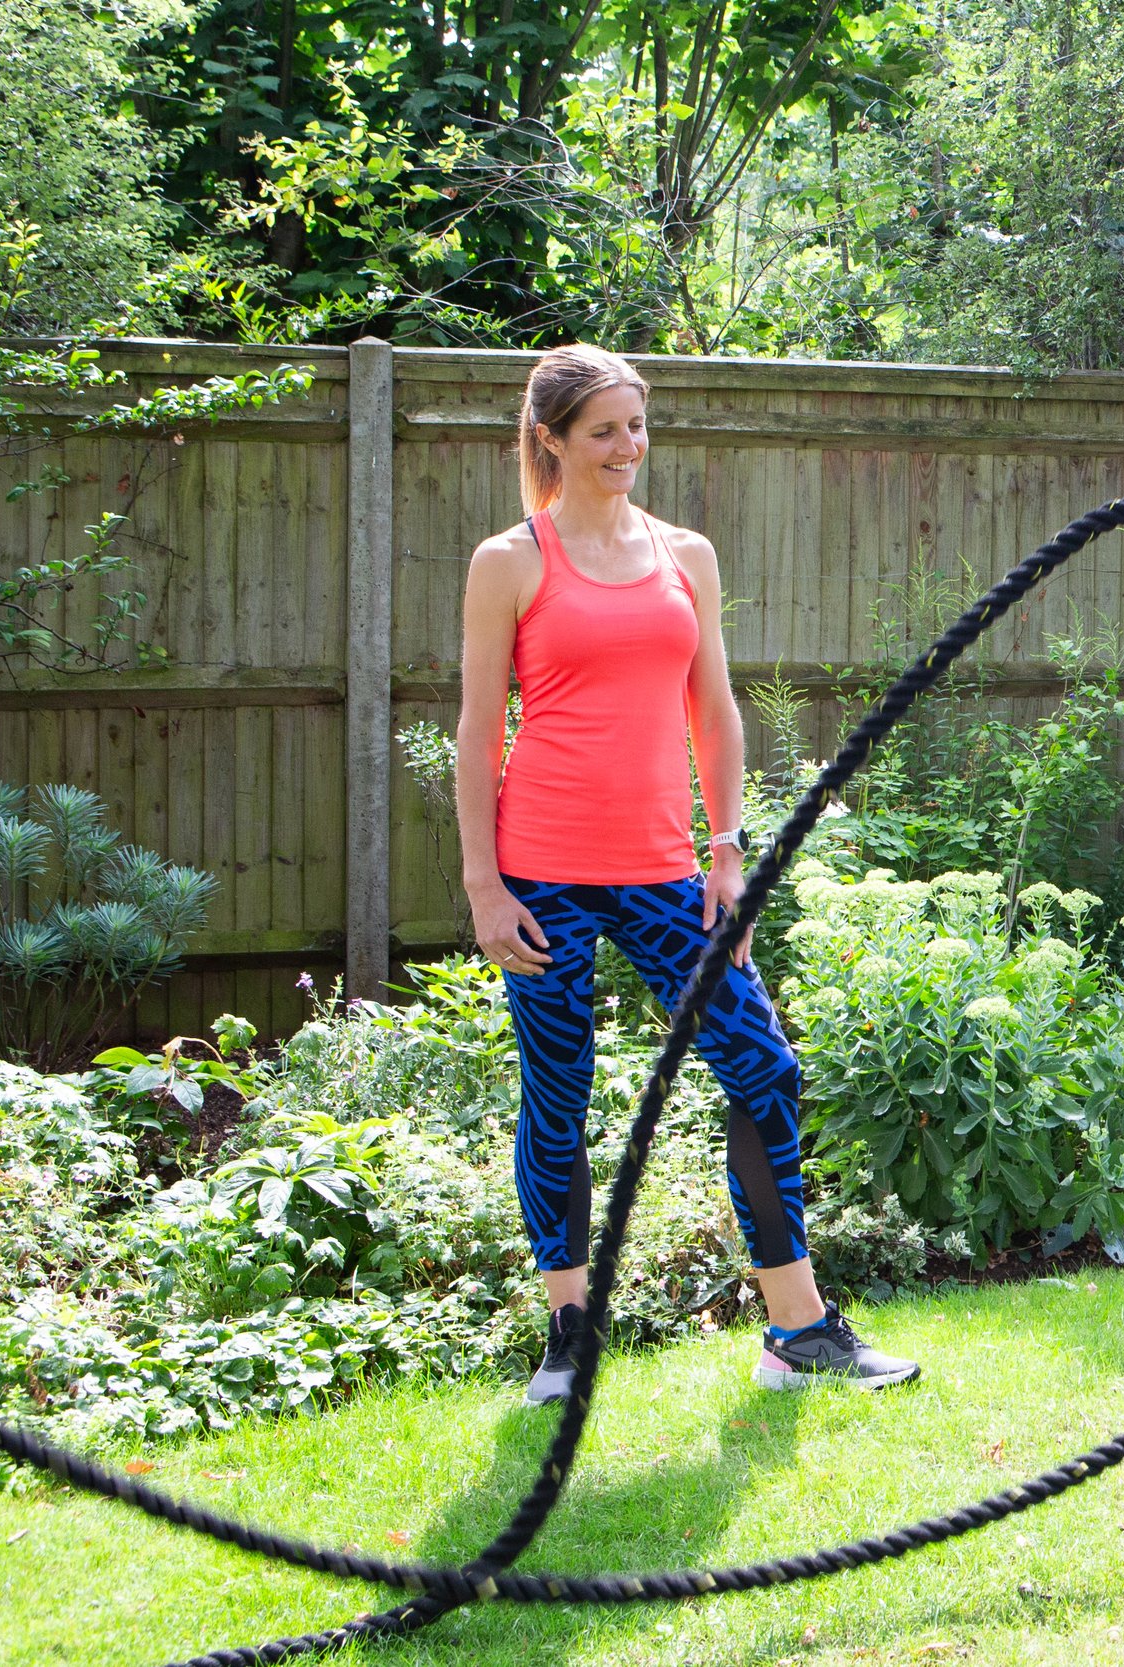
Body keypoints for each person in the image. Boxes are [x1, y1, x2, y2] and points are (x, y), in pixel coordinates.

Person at [456, 343, 919, 1402]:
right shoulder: (510, 560)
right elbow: (480, 731)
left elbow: (714, 709)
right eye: (604, 430)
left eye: (637, 424)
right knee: (558, 1094)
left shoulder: (686, 554)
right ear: (554, 440)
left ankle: (796, 1329)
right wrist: (483, 884)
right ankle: (570, 1335)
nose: (628, 447)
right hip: (542, 875)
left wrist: (727, 854)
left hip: (669, 869)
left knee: (763, 1070)